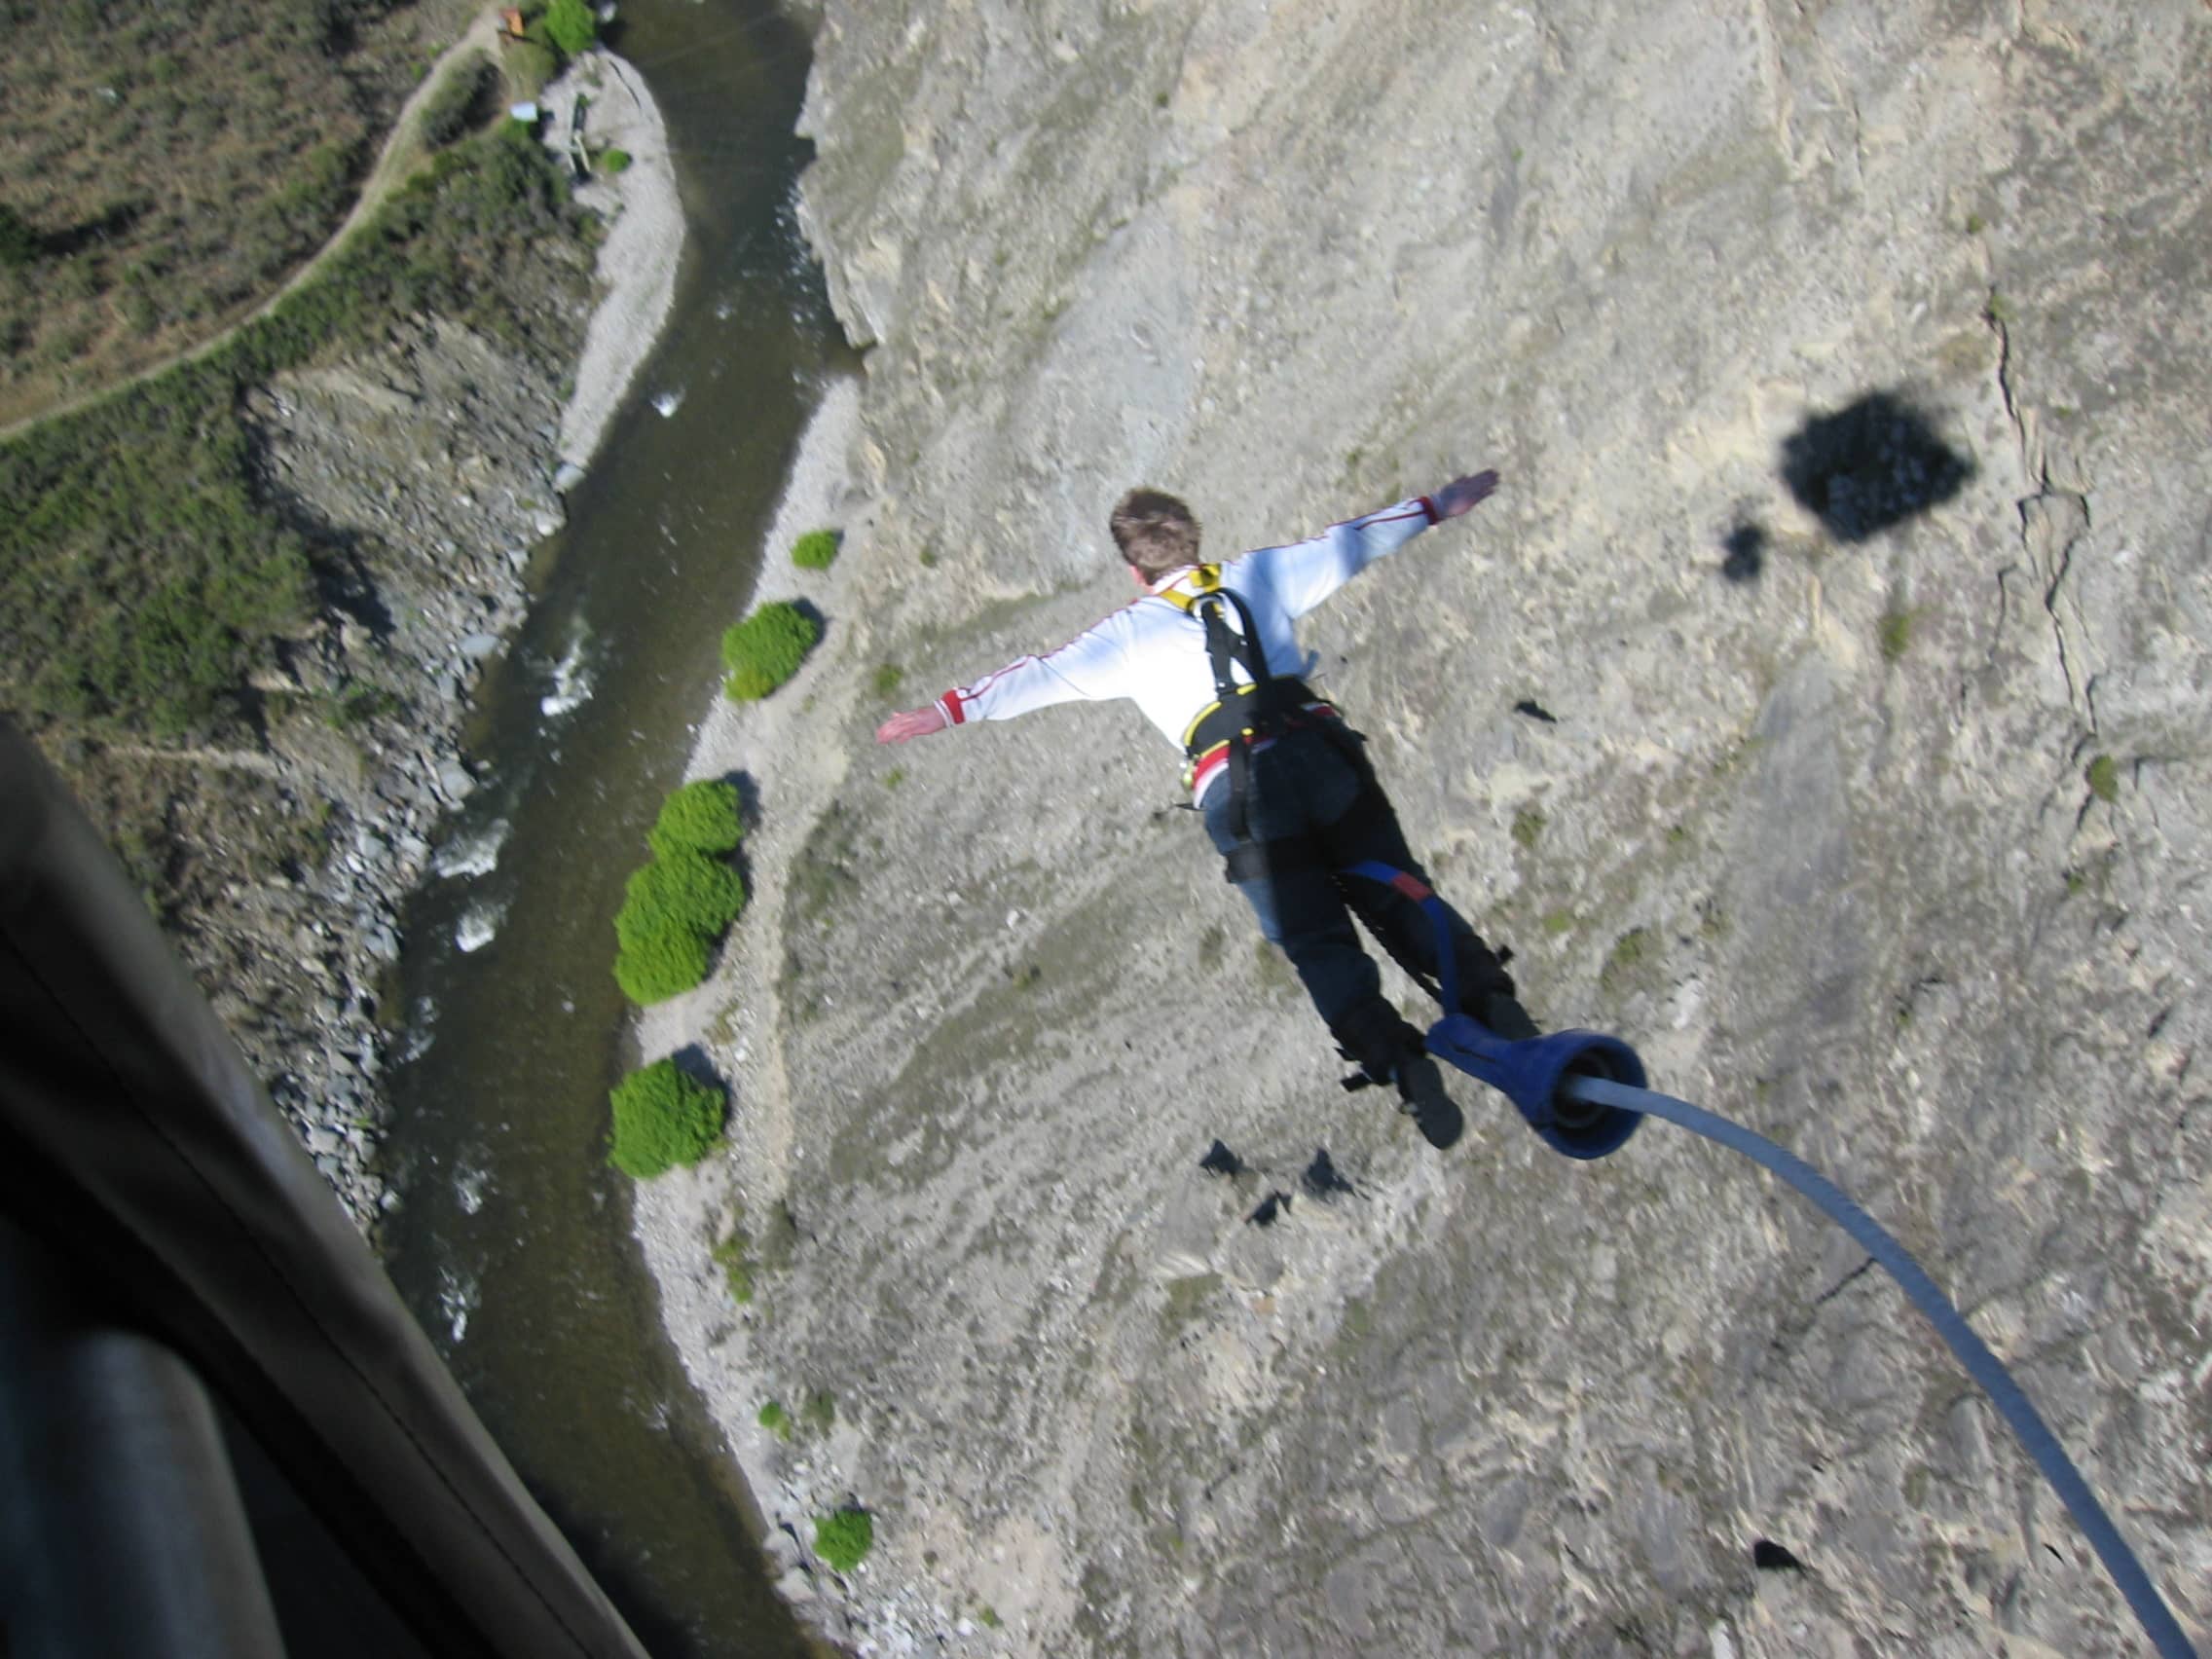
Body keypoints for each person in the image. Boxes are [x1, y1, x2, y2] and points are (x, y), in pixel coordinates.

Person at [875, 472, 1538, 1150]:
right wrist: (1435, 507)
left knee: (1316, 941)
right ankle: (1493, 1003)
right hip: (1320, 752)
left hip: (1241, 794)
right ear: (1195, 539)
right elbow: (1353, 542)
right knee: (1400, 892)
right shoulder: (1259, 575)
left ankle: (1401, 1064)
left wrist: (946, 711)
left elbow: (1036, 674)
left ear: (1137, 572)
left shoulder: (1128, 635)